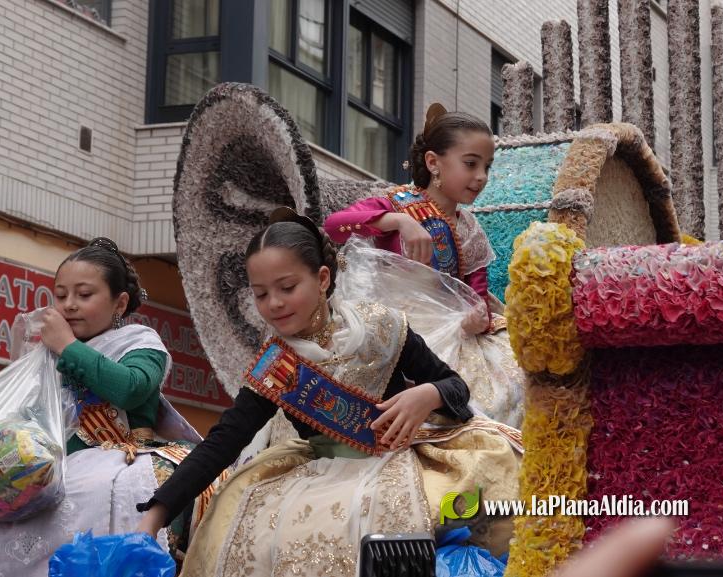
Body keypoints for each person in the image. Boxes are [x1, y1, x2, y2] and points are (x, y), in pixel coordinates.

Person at [136, 208, 521, 577]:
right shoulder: (276, 368)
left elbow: (455, 386)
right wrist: (154, 515)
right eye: (260, 294)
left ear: (322, 279)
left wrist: (428, 395)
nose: (274, 304)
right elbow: (222, 443)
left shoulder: (382, 327)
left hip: (403, 463)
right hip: (320, 479)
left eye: (287, 287)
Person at [0, 238, 204, 577]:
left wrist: (67, 347)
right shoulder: (45, 353)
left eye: (84, 294)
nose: (70, 305)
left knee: (83, 495)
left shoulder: (140, 342)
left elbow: (130, 390)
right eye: (61, 295)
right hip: (54, 465)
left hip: (120, 456)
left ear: (119, 303)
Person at [323, 104, 525, 426]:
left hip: (453, 336)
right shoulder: (394, 203)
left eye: (486, 167)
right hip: (389, 330)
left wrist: (477, 319)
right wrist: (397, 221)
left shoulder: (470, 230)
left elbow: (478, 297)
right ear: (433, 162)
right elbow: (336, 225)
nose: (481, 177)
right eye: (470, 164)